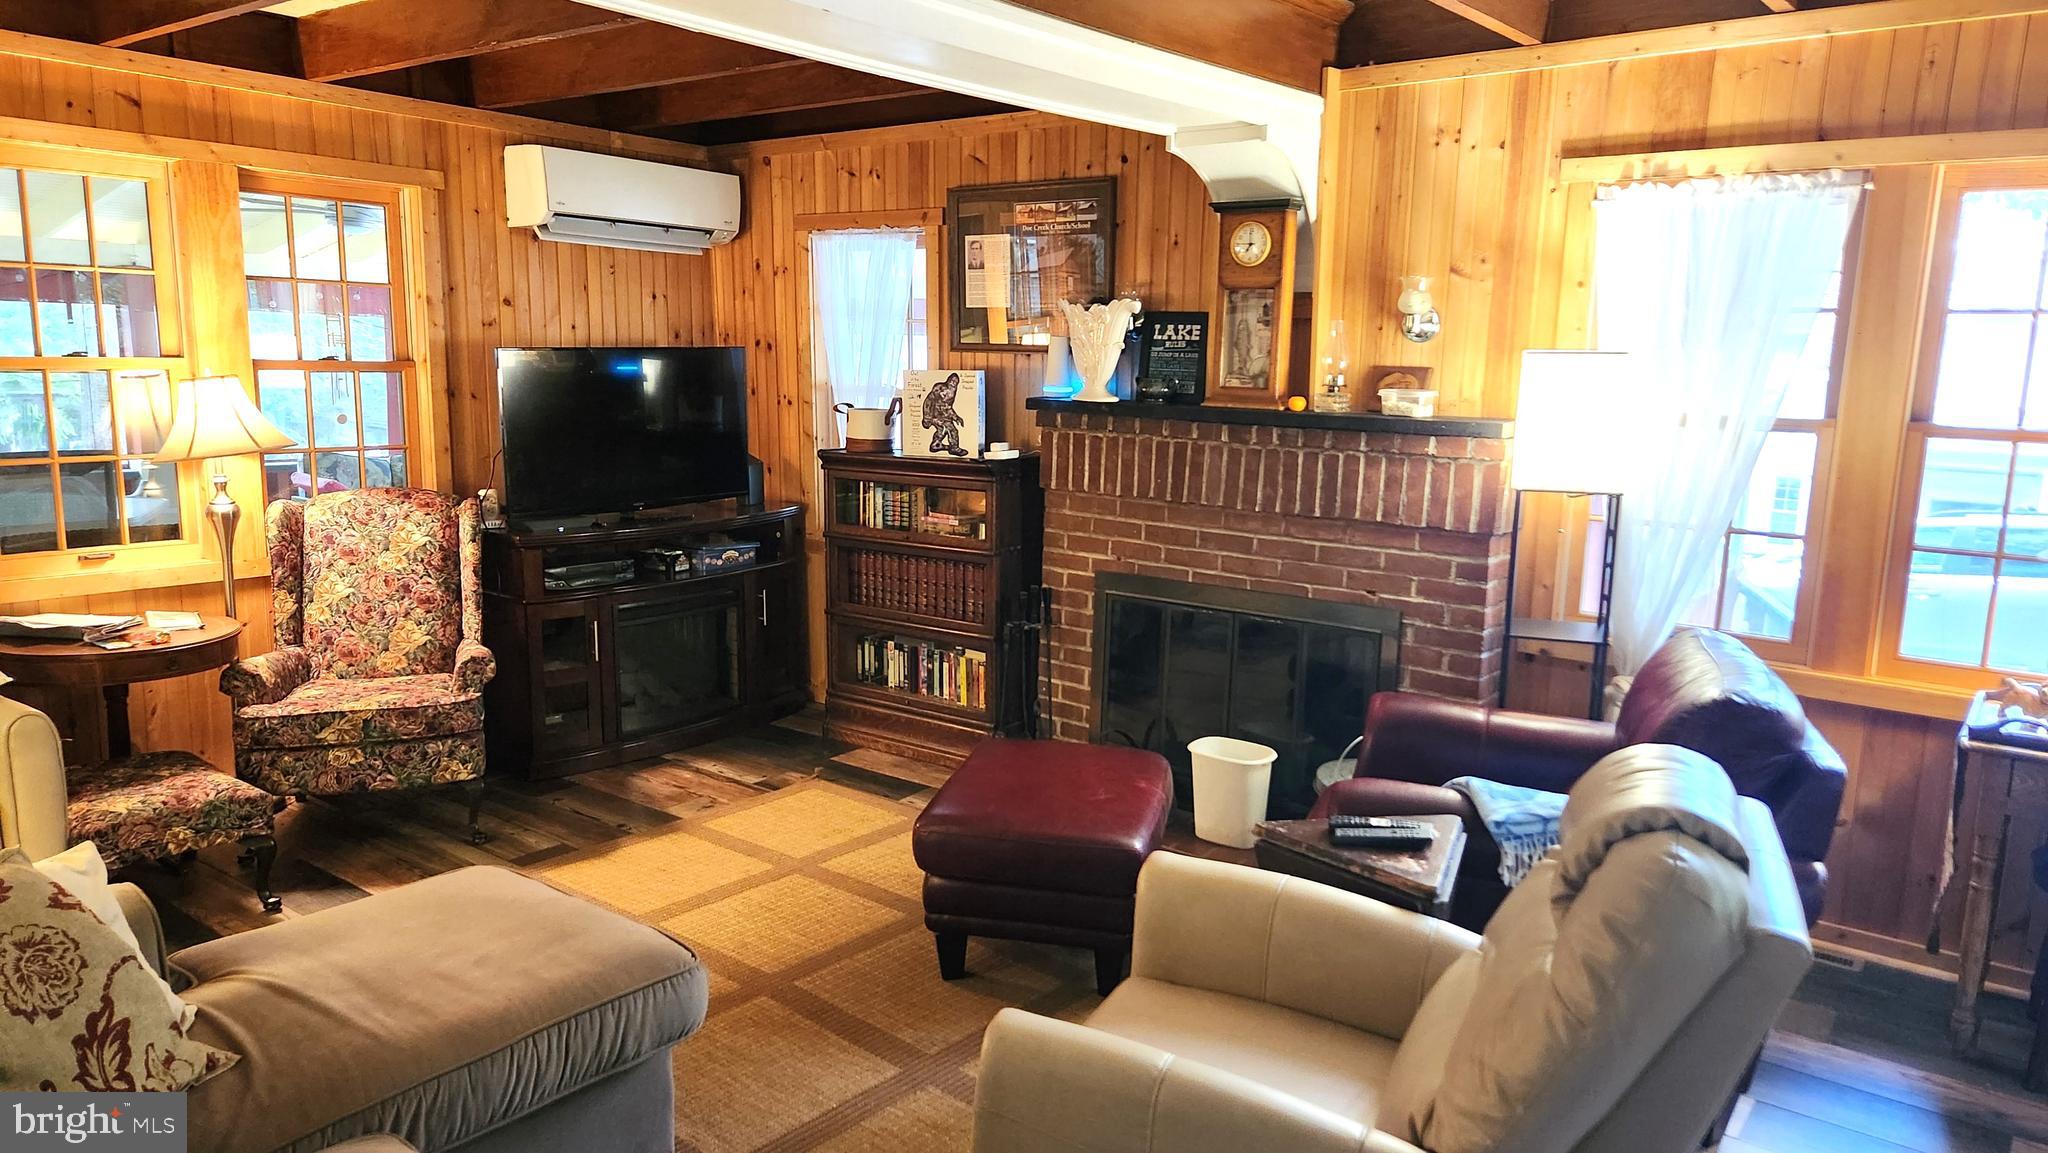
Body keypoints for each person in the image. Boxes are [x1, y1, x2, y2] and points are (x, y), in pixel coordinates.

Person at [922, 372, 969, 457]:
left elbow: (947, 407)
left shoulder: (951, 392)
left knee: (942, 430)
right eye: (952, 381)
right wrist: (930, 418)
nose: (953, 383)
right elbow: (932, 405)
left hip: (942, 415)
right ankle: (954, 448)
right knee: (952, 430)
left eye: (955, 382)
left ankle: (935, 444)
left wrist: (956, 417)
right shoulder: (939, 390)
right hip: (935, 415)